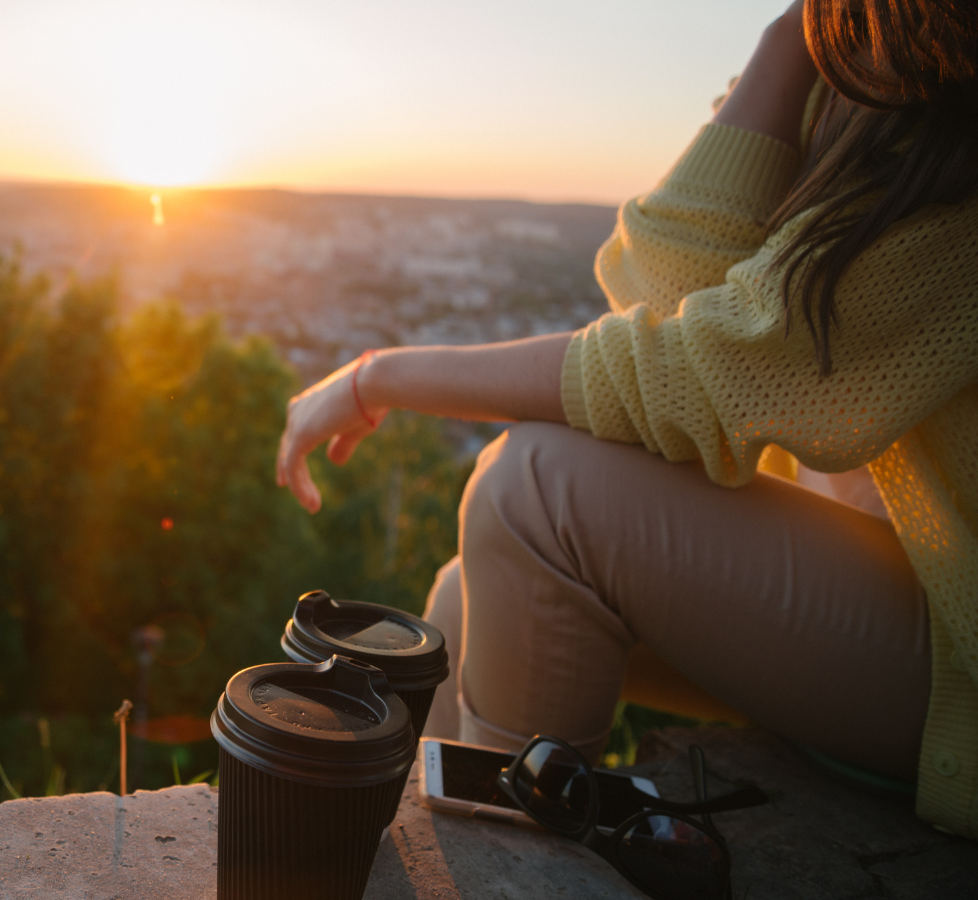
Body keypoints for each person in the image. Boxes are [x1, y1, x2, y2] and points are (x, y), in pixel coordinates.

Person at [274, 0, 978, 838]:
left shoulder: (955, 139)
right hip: (890, 616)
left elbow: (682, 375)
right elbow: (658, 294)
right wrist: (787, 42)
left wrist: (378, 377)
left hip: (956, 667)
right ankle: (426, 858)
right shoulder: (855, 84)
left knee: (536, 489)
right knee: (467, 600)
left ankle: (513, 877)